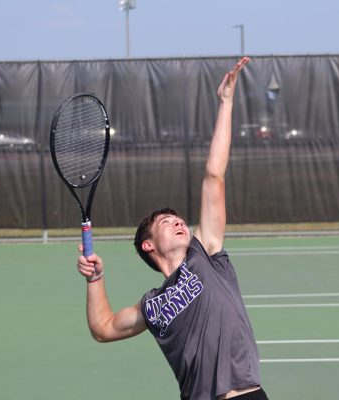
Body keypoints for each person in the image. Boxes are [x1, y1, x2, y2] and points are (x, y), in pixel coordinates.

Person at [76, 57, 268, 400]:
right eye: (167, 222)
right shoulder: (152, 305)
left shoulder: (207, 256)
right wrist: (94, 279)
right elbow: (103, 329)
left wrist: (225, 103)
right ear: (149, 246)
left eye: (179, 219)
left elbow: (214, 177)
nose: (179, 222)